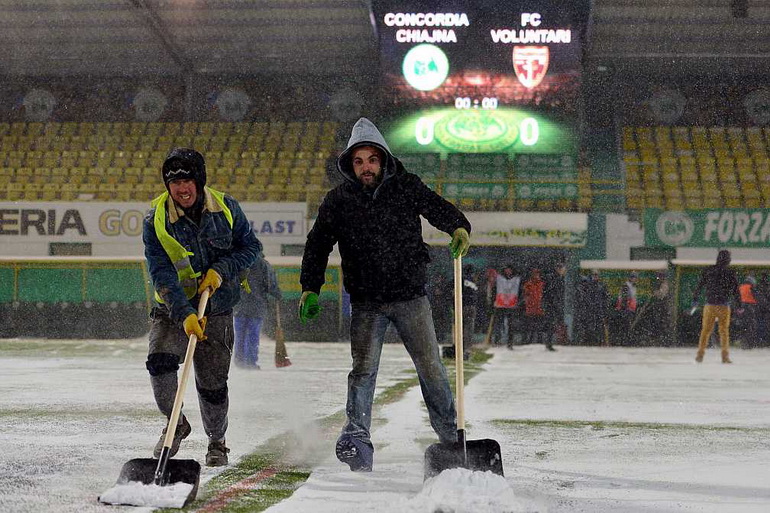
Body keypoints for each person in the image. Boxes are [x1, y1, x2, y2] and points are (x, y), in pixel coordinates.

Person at [298, 117, 471, 472]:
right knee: (363, 371)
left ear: (383, 160)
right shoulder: (339, 200)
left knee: (432, 368)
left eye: (372, 160)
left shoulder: (405, 186)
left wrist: (458, 226)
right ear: (350, 164)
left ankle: (451, 438)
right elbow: (317, 245)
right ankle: (358, 439)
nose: (366, 167)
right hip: (367, 302)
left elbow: (435, 206)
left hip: (410, 297)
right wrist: (309, 288)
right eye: (359, 161)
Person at [142, 147, 261, 466]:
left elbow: (251, 248)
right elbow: (161, 272)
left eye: (187, 180)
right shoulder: (156, 219)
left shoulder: (226, 207)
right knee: (160, 363)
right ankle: (175, 424)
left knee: (212, 384)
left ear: (199, 180)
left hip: (218, 307)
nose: (181, 189)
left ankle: (217, 442)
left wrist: (221, 271)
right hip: (171, 309)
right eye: (174, 182)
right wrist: (184, 314)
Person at [233, 254, 282, 369]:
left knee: (240, 335)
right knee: (253, 335)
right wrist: (277, 294)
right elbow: (270, 284)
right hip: (256, 306)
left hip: (239, 305)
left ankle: (239, 360)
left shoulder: (240, 261)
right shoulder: (264, 265)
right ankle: (250, 362)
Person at [692, 249, 740, 364]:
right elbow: (735, 290)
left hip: (710, 305)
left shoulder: (708, 270)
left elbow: (699, 286)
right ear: (728, 259)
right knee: (724, 331)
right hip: (724, 305)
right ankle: (725, 356)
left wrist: (695, 299)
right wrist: (739, 304)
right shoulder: (730, 272)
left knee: (705, 331)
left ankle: (700, 355)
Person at [575, 270, 609, 345]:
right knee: (590, 328)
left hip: (597, 311)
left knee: (598, 328)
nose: (595, 277)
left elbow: (605, 299)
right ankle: (591, 342)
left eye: (596, 275)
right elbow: (585, 299)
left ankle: (597, 342)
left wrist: (603, 310)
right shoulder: (588, 286)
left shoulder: (601, 286)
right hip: (590, 311)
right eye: (594, 275)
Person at [493, 264, 521, 349]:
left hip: (511, 306)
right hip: (501, 305)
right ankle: (497, 340)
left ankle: (510, 342)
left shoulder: (516, 279)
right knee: (499, 323)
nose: (508, 271)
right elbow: (495, 290)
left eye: (509, 270)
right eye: (506, 269)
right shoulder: (499, 279)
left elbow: (519, 291)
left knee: (511, 325)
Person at [522, 268, 548, 348]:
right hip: (530, 308)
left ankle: (539, 340)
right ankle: (529, 339)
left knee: (539, 325)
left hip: (539, 307)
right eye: (534, 273)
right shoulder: (528, 284)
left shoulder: (542, 284)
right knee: (530, 325)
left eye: (537, 274)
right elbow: (525, 295)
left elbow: (544, 295)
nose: (536, 275)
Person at [543, 262, 567, 350]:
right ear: (558, 269)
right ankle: (548, 343)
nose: (564, 271)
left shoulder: (558, 278)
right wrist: (553, 303)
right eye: (562, 269)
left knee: (551, 324)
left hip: (553, 304)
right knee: (550, 324)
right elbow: (551, 292)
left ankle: (549, 343)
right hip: (551, 304)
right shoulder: (554, 278)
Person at [613, 271, 639, 346]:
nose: (635, 279)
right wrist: (625, 310)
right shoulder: (626, 286)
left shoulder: (632, 286)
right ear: (631, 278)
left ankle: (625, 342)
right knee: (625, 327)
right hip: (626, 310)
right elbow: (624, 299)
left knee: (627, 327)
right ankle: (624, 342)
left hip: (630, 310)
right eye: (634, 278)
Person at [737, 274, 758, 350]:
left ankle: (743, 343)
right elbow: (757, 297)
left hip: (741, 308)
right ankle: (750, 344)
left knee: (743, 325)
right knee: (751, 326)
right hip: (750, 307)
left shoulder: (740, 287)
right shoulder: (751, 287)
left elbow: (736, 298)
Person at [462, 264, 479, 346]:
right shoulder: (474, 281)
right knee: (469, 325)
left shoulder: (461, 279)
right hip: (471, 305)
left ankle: (462, 343)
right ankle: (468, 344)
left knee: (462, 325)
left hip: (463, 305)